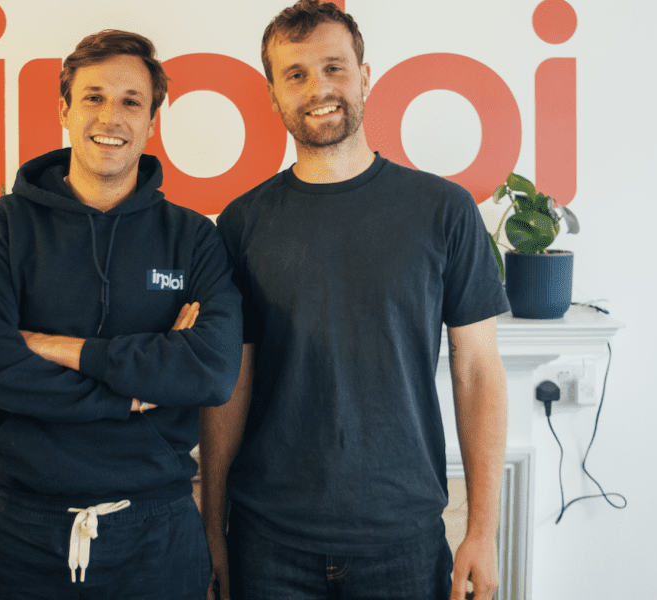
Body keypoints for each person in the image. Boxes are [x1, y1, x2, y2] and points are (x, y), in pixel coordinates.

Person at [201, 2, 510, 599]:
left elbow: (478, 372)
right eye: (295, 74)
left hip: (404, 539)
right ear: (273, 94)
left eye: (334, 68)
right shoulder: (241, 222)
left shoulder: (444, 210)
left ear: (365, 77)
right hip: (268, 541)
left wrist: (482, 530)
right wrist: (212, 526)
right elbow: (231, 383)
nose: (318, 88)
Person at [0, 29, 243, 599]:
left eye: (131, 101)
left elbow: (209, 371)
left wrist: (56, 348)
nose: (111, 117)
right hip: (23, 535)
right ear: (64, 110)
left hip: (158, 537)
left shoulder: (193, 239)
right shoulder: (5, 227)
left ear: (151, 121)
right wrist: (132, 393)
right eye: (93, 97)